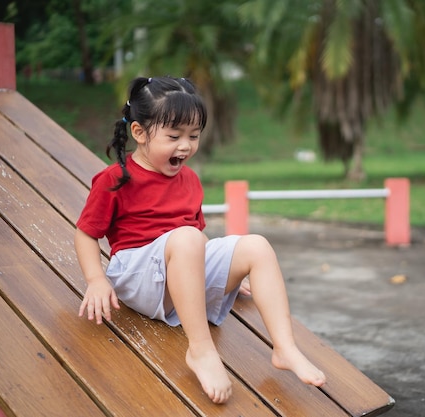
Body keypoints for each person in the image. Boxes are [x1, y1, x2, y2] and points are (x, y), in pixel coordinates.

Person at [74, 76, 326, 404]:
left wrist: (228, 271)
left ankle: (285, 348)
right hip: (137, 277)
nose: (186, 146)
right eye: (174, 136)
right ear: (139, 133)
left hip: (180, 268)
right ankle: (201, 350)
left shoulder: (189, 179)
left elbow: (198, 237)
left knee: (256, 246)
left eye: (193, 136)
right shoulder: (115, 179)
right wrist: (96, 279)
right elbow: (85, 232)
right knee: (187, 238)